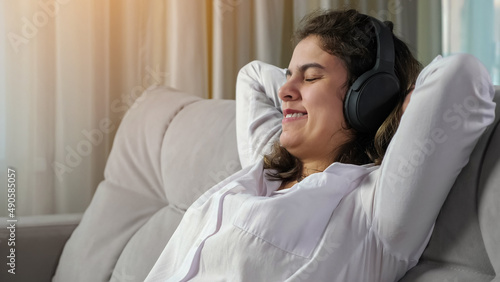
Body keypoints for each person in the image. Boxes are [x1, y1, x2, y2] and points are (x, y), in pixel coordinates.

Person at [145, 9, 496, 281]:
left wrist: (388, 99)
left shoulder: (374, 211)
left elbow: (463, 74)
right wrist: (302, 81)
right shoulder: (267, 165)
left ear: (365, 98)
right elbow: (251, 76)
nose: (285, 91)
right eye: (288, 75)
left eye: (311, 76)